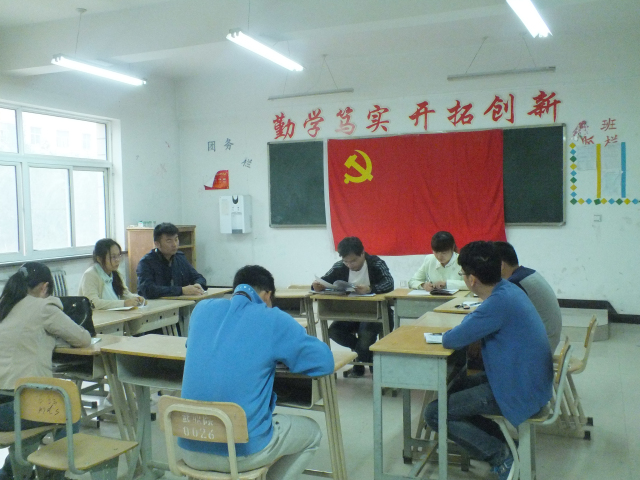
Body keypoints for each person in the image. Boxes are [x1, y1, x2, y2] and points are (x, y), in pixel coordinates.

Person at [179, 265, 334, 480]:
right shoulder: (272, 318)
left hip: (189, 448)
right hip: (242, 453)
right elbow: (324, 362)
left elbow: (194, 347)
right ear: (267, 295)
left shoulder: (202, 309)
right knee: (312, 432)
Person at [424, 241, 553, 480]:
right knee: (456, 387)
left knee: (434, 412)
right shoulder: (507, 289)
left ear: (472, 279)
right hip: (527, 380)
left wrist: (469, 325)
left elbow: (452, 339)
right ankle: (504, 445)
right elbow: (472, 326)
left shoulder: (497, 303)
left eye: (462, 274)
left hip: (519, 389)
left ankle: (500, 456)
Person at [0, 262, 91, 480]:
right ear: (45, 287)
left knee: (33, 417)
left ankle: (9, 473)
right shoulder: (44, 307)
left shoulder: (5, 306)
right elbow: (82, 338)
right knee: (69, 408)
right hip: (16, 406)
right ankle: (53, 475)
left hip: (5, 407)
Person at [312, 237, 394, 378]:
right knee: (334, 332)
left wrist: (370, 289)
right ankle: (371, 358)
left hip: (376, 313)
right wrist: (316, 286)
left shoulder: (376, 263)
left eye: (353, 261)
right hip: (350, 313)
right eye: (346, 261)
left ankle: (359, 362)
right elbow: (324, 280)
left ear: (362, 253)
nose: (350, 265)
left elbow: (389, 283)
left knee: (365, 336)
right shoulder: (340, 266)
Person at [493, 241, 563, 353]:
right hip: (549, 339)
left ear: (501, 265)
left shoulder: (515, 283)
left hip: (540, 349)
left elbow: (499, 318)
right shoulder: (527, 273)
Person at [136, 222, 207, 299]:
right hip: (156, 304)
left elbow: (198, 277)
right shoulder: (146, 262)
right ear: (157, 244)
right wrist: (181, 290)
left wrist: (198, 285)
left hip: (180, 302)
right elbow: (148, 290)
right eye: (169, 241)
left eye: (176, 239)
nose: (174, 244)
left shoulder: (180, 257)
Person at [78, 238, 145, 309]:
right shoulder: (90, 275)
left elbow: (124, 294)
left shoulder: (115, 273)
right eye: (113, 257)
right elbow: (93, 303)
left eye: (119, 255)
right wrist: (124, 303)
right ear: (99, 259)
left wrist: (137, 298)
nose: (117, 260)